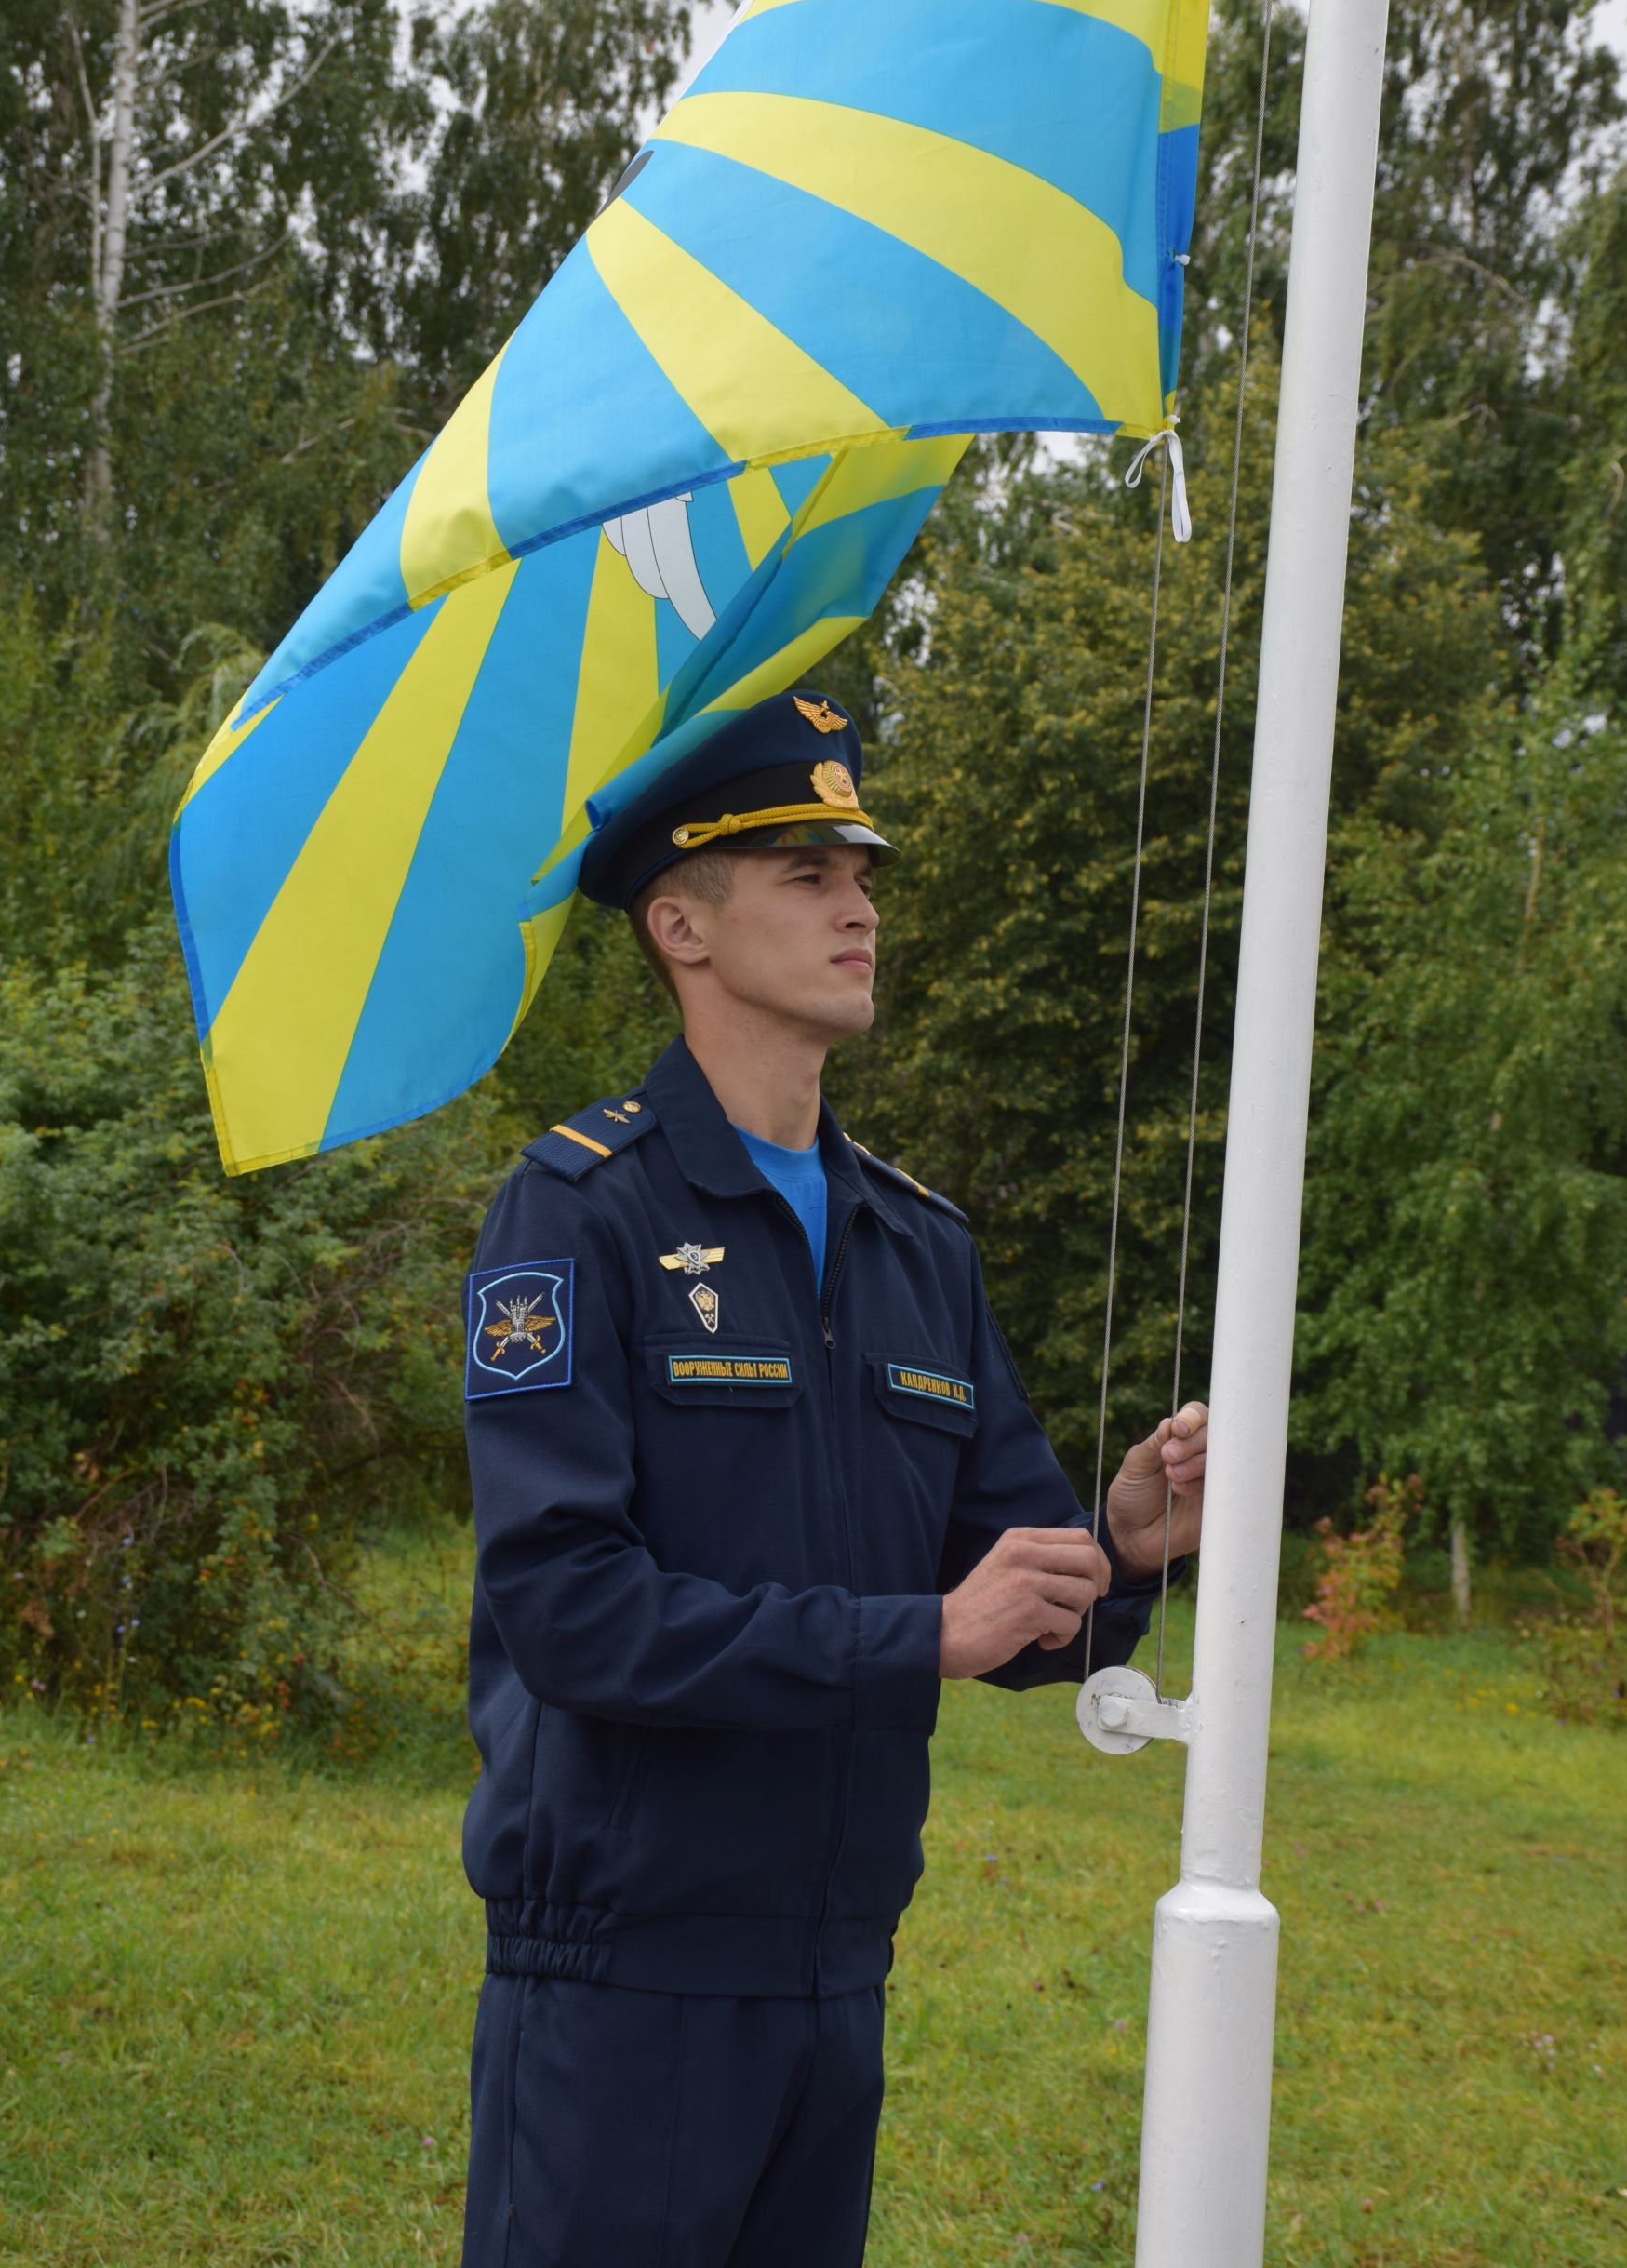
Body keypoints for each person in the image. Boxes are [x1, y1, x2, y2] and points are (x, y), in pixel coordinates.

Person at [459, 687, 1208, 2268]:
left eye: (860, 873)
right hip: (624, 1969)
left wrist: (1123, 1550)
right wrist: (912, 1635)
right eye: (806, 874)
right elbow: (568, 1612)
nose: (860, 907)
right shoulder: (575, 1212)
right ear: (682, 925)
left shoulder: (914, 1243)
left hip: (839, 1963)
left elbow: (1011, 1587)